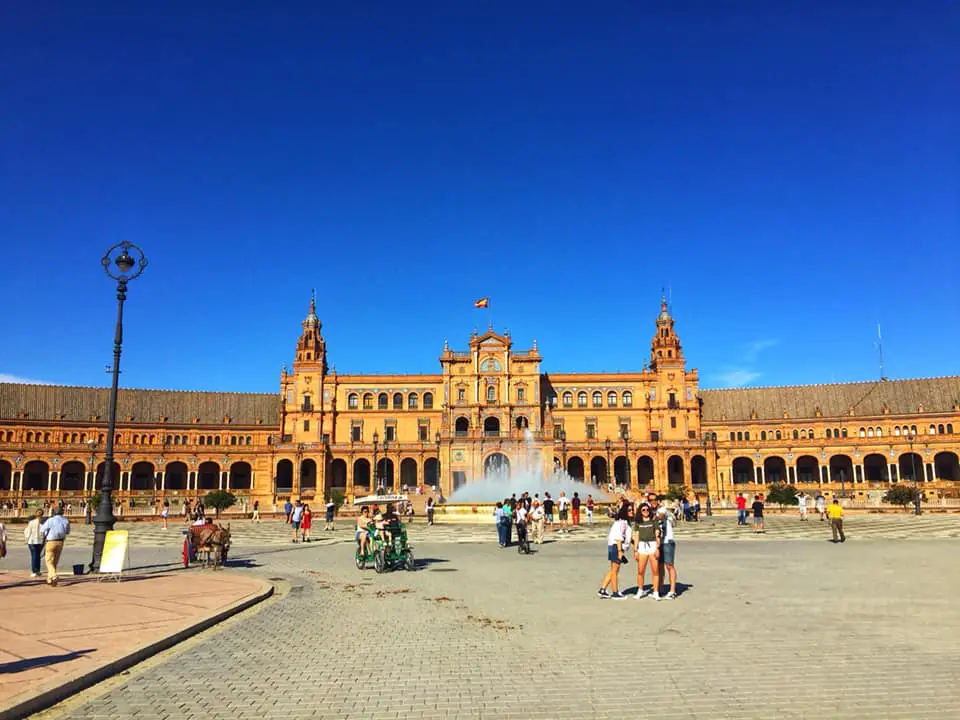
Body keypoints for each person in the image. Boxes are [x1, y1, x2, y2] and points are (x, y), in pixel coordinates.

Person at [598, 505, 631, 599]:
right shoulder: (621, 523)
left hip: (615, 546)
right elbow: (618, 537)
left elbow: (626, 536)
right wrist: (620, 551)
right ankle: (615, 592)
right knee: (615, 571)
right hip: (616, 546)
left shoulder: (624, 522)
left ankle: (602, 589)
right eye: (629, 510)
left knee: (613, 570)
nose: (631, 511)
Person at [633, 503, 661, 600]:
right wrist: (635, 550)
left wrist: (657, 548)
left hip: (652, 545)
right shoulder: (638, 522)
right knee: (640, 571)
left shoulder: (654, 520)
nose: (646, 511)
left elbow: (657, 534)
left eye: (647, 509)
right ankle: (640, 590)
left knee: (655, 571)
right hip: (642, 546)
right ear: (640, 511)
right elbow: (636, 536)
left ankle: (656, 591)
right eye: (643, 510)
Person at [39, 507, 70, 586]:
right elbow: (67, 531)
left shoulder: (50, 520)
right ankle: (50, 579)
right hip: (60, 542)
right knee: (55, 561)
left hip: (51, 541)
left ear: (54, 513)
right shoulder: (66, 520)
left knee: (49, 561)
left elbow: (42, 530)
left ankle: (54, 575)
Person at [656, 505, 678, 599]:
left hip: (668, 542)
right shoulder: (652, 511)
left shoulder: (662, 510)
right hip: (659, 543)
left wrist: (654, 517)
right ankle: (659, 589)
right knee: (660, 567)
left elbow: (662, 514)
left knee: (669, 565)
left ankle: (672, 590)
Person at [24, 510, 44, 577]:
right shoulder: (43, 522)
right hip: (40, 541)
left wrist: (26, 539)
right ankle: (38, 570)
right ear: (42, 514)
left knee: (34, 556)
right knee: (38, 556)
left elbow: (28, 532)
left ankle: (34, 571)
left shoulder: (31, 522)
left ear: (36, 514)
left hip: (32, 541)